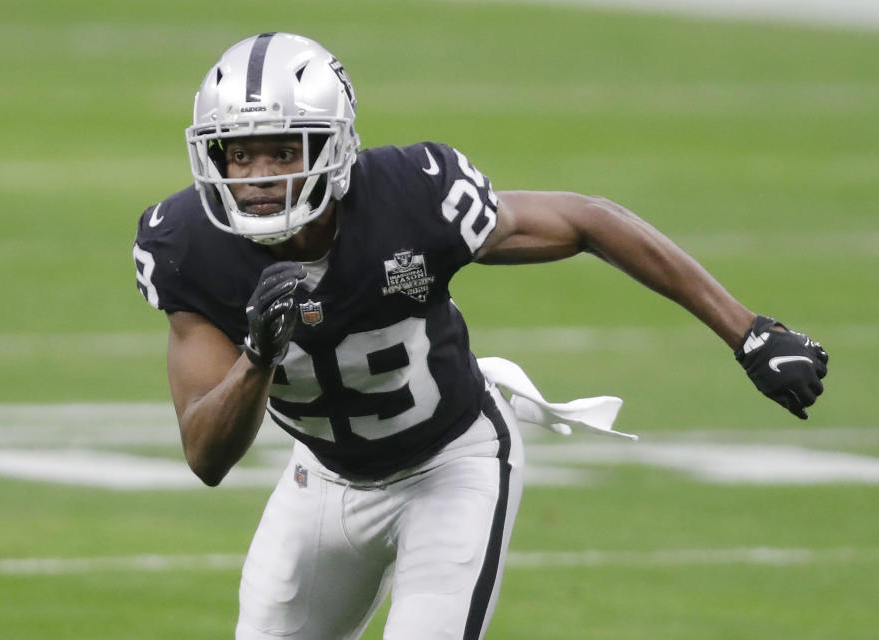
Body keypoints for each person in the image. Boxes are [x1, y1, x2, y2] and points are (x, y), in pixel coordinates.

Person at [132, 32, 828, 640]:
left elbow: (587, 219)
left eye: (283, 151)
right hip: (322, 478)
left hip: (449, 465)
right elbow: (206, 456)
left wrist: (749, 332)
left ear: (334, 147)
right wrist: (256, 356)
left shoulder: (411, 200)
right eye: (239, 154)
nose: (258, 179)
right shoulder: (189, 246)